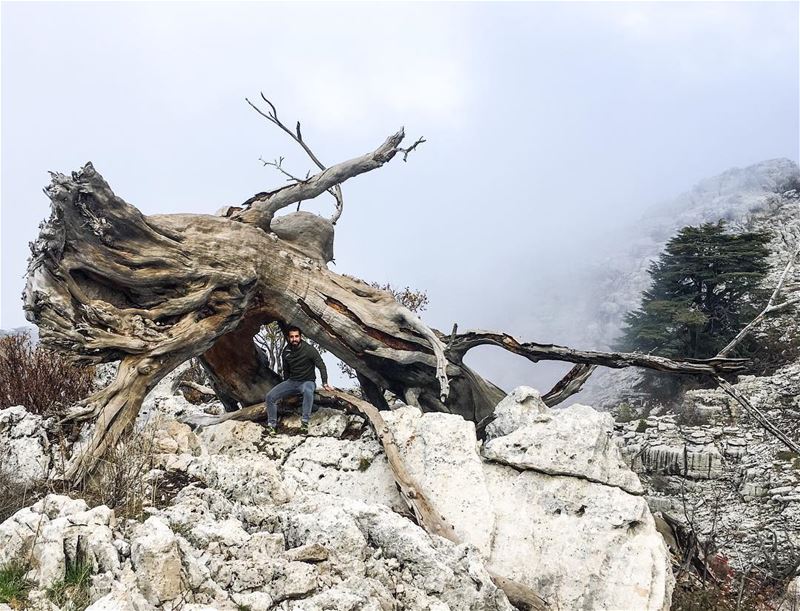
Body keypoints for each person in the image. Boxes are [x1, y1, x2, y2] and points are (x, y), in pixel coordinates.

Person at [265, 326, 332, 435]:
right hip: (292, 382)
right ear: (288, 338)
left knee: (308, 391)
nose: (294, 339)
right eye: (292, 337)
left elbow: (321, 366)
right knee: (269, 397)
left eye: (296, 336)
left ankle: (305, 423)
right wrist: (286, 388)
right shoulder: (286, 352)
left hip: (307, 382)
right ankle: (272, 426)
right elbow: (286, 370)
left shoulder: (309, 350)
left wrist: (325, 383)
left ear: (300, 337)